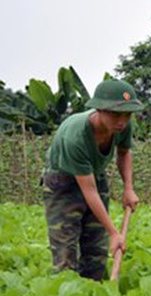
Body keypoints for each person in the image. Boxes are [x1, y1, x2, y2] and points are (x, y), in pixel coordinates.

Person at [42, 79, 143, 280]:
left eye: (127, 114)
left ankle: (94, 293)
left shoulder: (122, 127)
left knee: (96, 247)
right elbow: (89, 192)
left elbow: (124, 152)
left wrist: (128, 188)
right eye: (115, 114)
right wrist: (115, 233)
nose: (122, 121)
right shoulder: (76, 136)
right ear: (100, 110)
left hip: (94, 174)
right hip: (62, 180)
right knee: (65, 246)